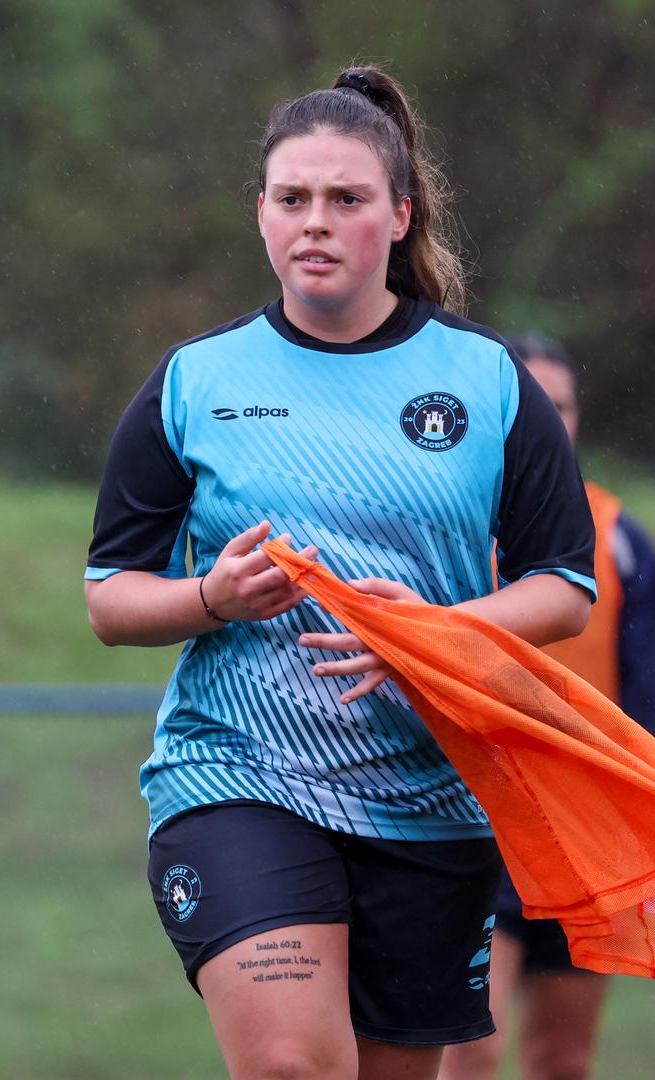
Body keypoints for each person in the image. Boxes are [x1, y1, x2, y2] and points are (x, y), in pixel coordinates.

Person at [84, 66, 597, 1080]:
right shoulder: (196, 381)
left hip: (431, 797)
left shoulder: (484, 379)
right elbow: (110, 598)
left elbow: (564, 586)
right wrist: (209, 598)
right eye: (292, 198)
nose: (314, 221)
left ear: (399, 216)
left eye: (346, 198)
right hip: (239, 776)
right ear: (261, 215)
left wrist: (441, 631)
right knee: (292, 1066)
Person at [439, 333, 655, 1080]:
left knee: (561, 1060)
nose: (550, 421)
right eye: (533, 404)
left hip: (581, 832)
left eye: (562, 406)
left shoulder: (616, 540)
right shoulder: (442, 521)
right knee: (470, 1045)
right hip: (471, 824)